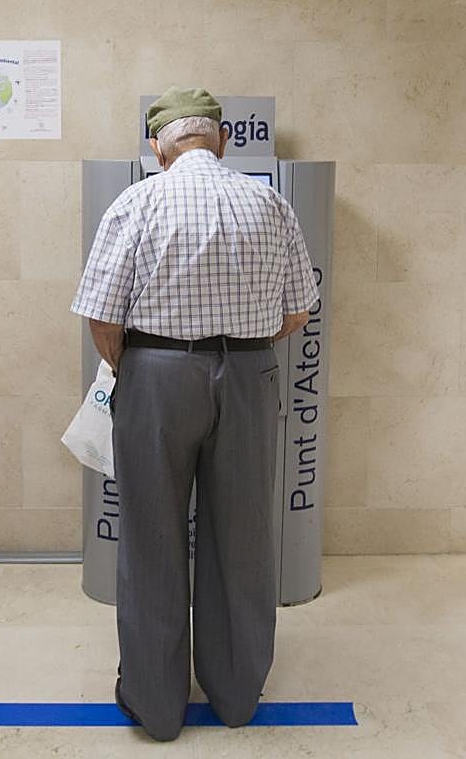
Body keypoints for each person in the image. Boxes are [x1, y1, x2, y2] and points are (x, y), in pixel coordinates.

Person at [70, 86, 319, 741]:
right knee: (243, 537)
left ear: (158, 148)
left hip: (155, 373)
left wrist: (135, 367)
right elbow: (298, 310)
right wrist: (240, 350)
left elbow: (102, 313)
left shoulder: (138, 201)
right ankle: (236, 694)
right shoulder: (270, 203)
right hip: (249, 373)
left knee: (151, 536)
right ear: (222, 139)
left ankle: (156, 706)